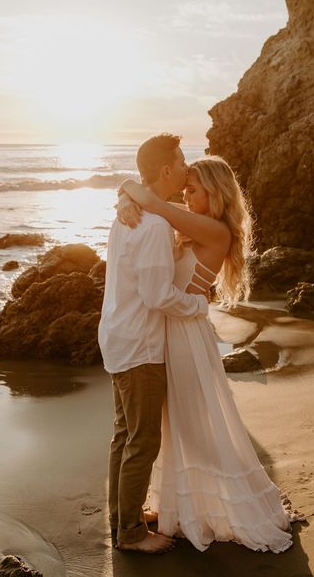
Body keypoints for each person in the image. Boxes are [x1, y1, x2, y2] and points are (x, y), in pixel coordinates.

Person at [117, 154, 303, 552]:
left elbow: (156, 204)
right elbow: (154, 204)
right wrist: (127, 198)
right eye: (186, 188)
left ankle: (225, 503)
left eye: (194, 189)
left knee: (196, 426)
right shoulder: (191, 219)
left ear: (214, 193)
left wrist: (132, 196)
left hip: (185, 336)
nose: (187, 194)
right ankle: (183, 505)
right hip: (167, 331)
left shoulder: (215, 230)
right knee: (175, 427)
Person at [98, 133, 210, 554]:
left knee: (125, 434)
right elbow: (158, 296)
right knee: (143, 439)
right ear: (166, 170)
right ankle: (129, 533)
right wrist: (198, 304)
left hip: (117, 336)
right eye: (181, 162)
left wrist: (129, 189)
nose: (186, 168)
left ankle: (121, 516)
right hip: (139, 344)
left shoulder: (129, 214)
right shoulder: (154, 224)